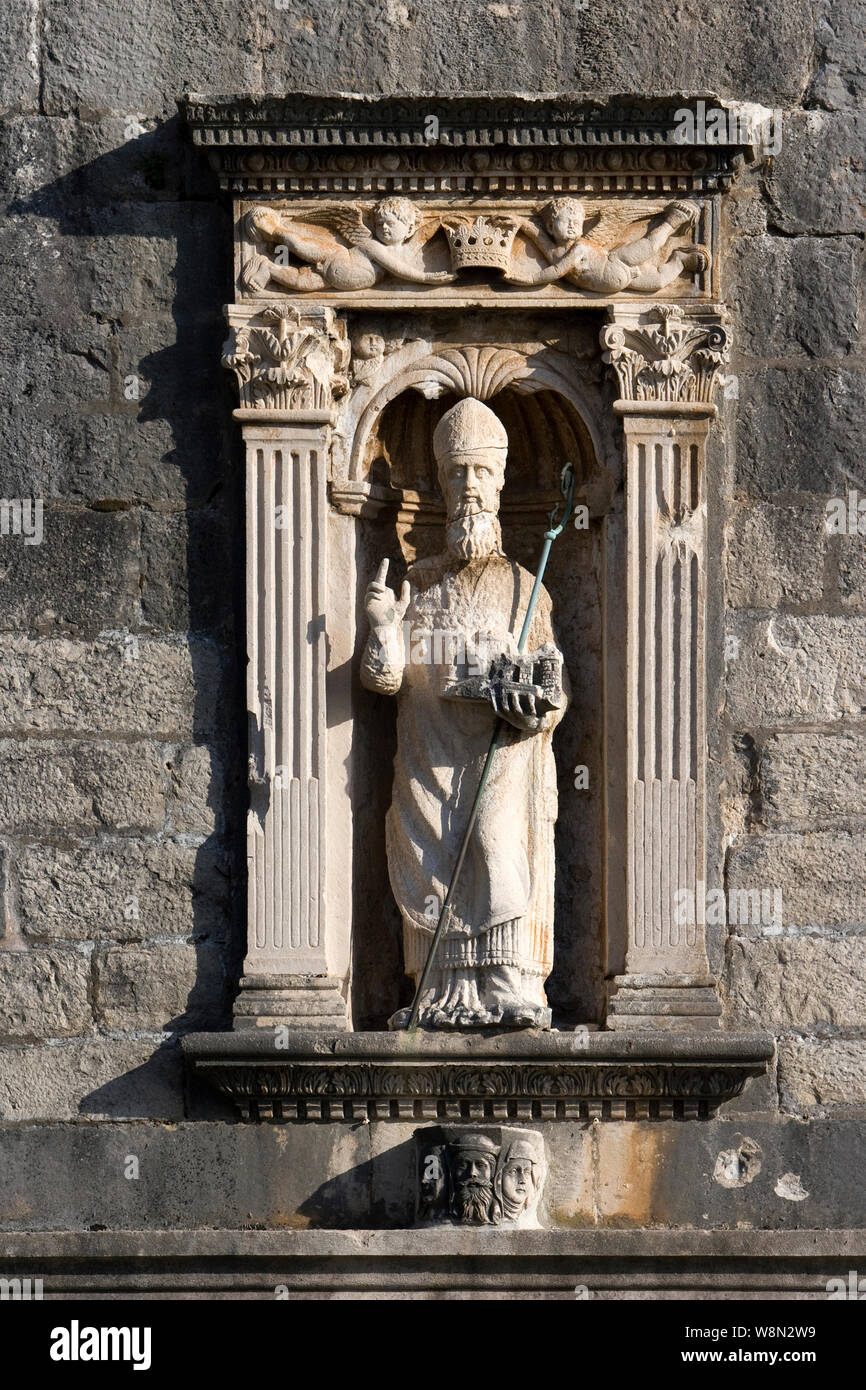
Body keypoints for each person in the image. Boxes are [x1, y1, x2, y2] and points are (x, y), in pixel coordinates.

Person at [361, 397, 567, 1030]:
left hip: (501, 758)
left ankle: (509, 985)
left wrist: (528, 700)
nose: (470, 488)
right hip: (429, 756)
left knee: (497, 848)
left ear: (501, 483)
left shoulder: (526, 586)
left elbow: (554, 688)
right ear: (442, 485)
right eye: (458, 475)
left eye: (481, 473)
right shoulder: (417, 583)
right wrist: (382, 628)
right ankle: (437, 990)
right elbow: (385, 679)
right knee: (434, 859)